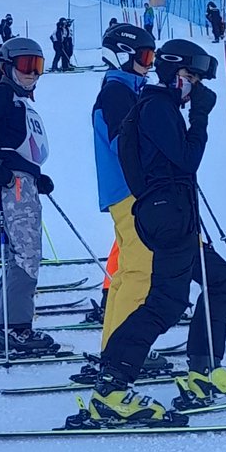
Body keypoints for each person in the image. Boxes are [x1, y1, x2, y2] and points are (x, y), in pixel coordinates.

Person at [71, 40, 226, 426]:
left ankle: (203, 370)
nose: (194, 85)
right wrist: (202, 118)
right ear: (175, 74)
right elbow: (188, 158)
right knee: (166, 302)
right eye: (191, 77)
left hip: (175, 216)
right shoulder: (157, 107)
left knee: (222, 282)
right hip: (167, 220)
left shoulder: (161, 106)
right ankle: (110, 387)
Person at [0, 37, 58, 356]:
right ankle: (16, 329)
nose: (32, 73)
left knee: (20, 255)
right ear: (7, 66)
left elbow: (13, 145)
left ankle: (1, 324)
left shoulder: (17, 99)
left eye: (38, 66)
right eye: (26, 65)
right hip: (11, 184)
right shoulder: (2, 94)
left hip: (19, 180)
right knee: (27, 255)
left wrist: (34, 174)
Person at [91, 23, 157, 347]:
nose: (150, 65)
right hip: (131, 191)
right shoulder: (117, 92)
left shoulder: (125, 89)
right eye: (145, 57)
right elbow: (126, 144)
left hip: (126, 192)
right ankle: (122, 353)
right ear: (123, 56)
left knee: (128, 271)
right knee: (139, 273)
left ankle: (114, 349)